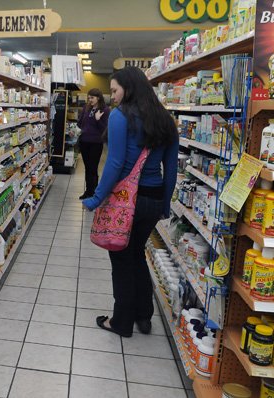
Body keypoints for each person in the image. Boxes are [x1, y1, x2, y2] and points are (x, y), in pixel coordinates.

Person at [82, 67, 179, 337]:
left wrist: (97, 198)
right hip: (153, 198)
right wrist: (165, 204)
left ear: (129, 87)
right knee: (136, 254)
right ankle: (143, 316)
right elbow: (170, 169)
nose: (112, 96)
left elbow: (115, 163)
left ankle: (121, 322)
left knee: (122, 259)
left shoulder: (120, 116)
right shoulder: (166, 120)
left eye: (114, 90)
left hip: (127, 200)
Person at [77, 88, 110, 199]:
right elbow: (80, 124)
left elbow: (104, 129)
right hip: (84, 141)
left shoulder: (105, 110)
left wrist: (98, 119)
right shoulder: (86, 108)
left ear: (98, 98)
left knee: (93, 167)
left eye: (92, 97)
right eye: (89, 97)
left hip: (96, 143)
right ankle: (88, 191)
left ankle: (94, 192)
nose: (90, 99)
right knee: (87, 167)